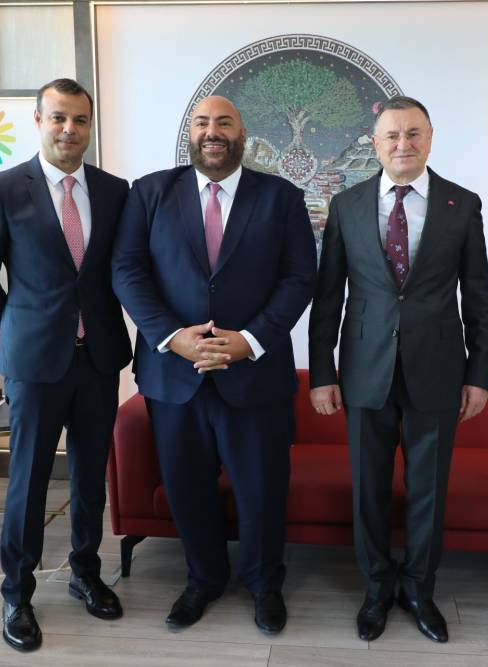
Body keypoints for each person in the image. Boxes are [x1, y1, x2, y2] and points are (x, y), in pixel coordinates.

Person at [112, 96, 316, 635]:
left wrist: (250, 340)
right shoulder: (150, 192)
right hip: (173, 375)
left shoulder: (281, 197)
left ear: (242, 133)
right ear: (190, 133)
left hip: (254, 375)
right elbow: (127, 271)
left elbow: (299, 277)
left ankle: (265, 584)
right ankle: (203, 579)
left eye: (224, 122)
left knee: (262, 489)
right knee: (186, 487)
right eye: (202, 122)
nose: (212, 131)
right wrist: (171, 336)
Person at [308, 96, 488, 643]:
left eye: (413, 133)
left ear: (430, 138)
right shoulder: (346, 204)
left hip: (438, 369)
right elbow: (327, 297)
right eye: (392, 135)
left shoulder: (463, 204)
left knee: (428, 492)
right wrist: (322, 372)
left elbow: (478, 296)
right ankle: (375, 589)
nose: (403, 144)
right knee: (367, 490)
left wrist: (478, 374)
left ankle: (418, 588)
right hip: (364, 370)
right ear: (375, 143)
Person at [0, 78, 132, 652]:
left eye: (80, 120)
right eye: (58, 117)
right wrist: (19, 322)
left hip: (99, 359)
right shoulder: (4, 189)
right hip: (34, 362)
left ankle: (85, 571)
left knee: (89, 476)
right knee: (29, 479)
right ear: (38, 120)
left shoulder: (114, 191)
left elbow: (119, 270)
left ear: (90, 126)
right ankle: (17, 593)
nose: (69, 129)